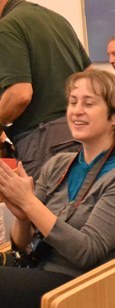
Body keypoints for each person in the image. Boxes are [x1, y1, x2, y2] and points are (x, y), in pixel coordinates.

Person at [0, 69, 115, 308]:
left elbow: (86, 252)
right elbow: (23, 247)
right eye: (72, 102)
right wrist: (22, 215)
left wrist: (30, 203)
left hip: (83, 293)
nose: (76, 111)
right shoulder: (58, 164)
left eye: (89, 103)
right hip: (39, 279)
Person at [0, 0, 91, 180]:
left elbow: (20, 94)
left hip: (45, 142)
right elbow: (91, 77)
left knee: (49, 207)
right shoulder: (57, 19)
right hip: (81, 131)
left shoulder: (6, 26)